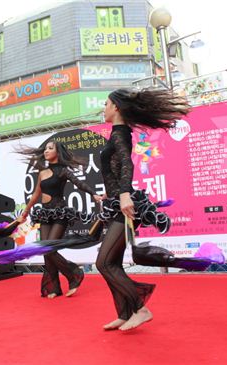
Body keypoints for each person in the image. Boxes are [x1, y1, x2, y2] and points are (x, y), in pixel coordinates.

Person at [96, 88, 190, 331]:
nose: (103, 108)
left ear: (116, 107)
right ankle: (125, 313)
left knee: (104, 263)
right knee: (112, 263)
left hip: (123, 205)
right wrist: (111, 192)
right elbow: (116, 168)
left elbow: (126, 163)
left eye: (106, 103)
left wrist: (124, 194)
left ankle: (140, 307)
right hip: (117, 200)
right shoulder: (117, 133)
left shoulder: (120, 133)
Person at [18, 140, 102, 298]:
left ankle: (74, 273)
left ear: (58, 152)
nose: (46, 151)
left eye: (50, 148)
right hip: (45, 213)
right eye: (45, 149)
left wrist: (93, 194)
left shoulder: (63, 171)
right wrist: (25, 212)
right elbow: (36, 195)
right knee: (45, 250)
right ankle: (54, 287)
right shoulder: (42, 172)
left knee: (49, 248)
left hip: (60, 213)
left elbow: (79, 183)